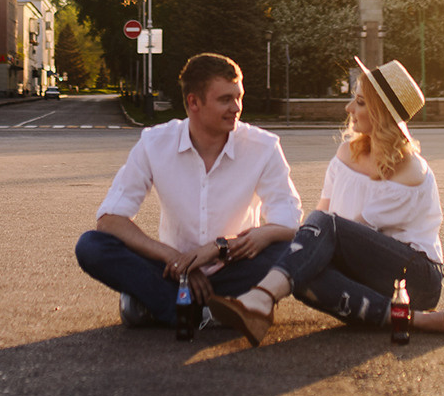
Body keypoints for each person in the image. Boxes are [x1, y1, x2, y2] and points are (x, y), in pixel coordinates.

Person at [209, 57, 444, 345]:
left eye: (359, 102)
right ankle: (417, 320)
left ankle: (261, 298)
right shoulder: (346, 154)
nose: (348, 109)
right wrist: (273, 239)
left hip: (416, 278)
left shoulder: (411, 171)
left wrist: (298, 249)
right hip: (367, 273)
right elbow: (320, 226)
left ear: (380, 113)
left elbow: (341, 230)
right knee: (302, 269)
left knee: (312, 248)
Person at [75, 53, 302, 329]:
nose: (236, 107)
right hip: (171, 271)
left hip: (235, 267)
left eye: (238, 97)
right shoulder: (155, 143)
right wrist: (175, 259)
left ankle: (160, 305)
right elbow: (110, 219)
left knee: (298, 249)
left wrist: (220, 248)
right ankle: (212, 310)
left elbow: (289, 222)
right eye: (225, 99)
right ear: (194, 102)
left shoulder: (263, 147)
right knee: (92, 246)